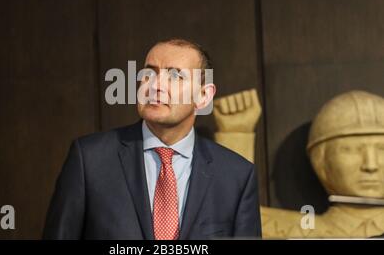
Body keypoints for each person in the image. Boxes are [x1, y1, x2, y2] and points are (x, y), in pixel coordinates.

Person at [43, 38, 262, 240]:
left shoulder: (236, 176)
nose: (155, 85)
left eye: (175, 76)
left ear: (203, 96)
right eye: (149, 74)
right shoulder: (90, 160)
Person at [214, 89, 384, 238]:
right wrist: (236, 134)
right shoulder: (286, 230)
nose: (371, 165)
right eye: (350, 149)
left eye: (382, 149)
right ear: (321, 161)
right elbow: (230, 220)